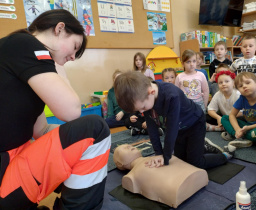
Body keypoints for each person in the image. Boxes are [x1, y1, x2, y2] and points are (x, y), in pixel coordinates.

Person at [0, 9, 111, 209]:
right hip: (5, 174)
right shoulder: (25, 43)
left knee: (81, 137)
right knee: (96, 129)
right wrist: (58, 66)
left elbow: (40, 130)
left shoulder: (21, 56)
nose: (73, 57)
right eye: (75, 47)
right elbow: (71, 111)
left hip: (13, 164)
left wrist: (74, 144)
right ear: (59, 28)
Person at [114, 71, 235, 171]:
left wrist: (165, 157)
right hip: (180, 128)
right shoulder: (143, 98)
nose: (142, 112)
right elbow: (152, 128)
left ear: (151, 92)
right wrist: (159, 154)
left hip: (195, 123)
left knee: (195, 163)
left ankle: (224, 155)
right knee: (180, 161)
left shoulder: (171, 95)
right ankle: (202, 147)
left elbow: (171, 129)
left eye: (143, 108)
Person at [113, 144, 209, 208]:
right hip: (178, 189)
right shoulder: (130, 177)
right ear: (120, 164)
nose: (129, 146)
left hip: (195, 173)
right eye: (124, 148)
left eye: (128, 145)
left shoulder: (156, 157)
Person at [221, 72, 256, 149]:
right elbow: (232, 115)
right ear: (239, 90)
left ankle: (242, 137)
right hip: (247, 127)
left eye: (248, 83)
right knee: (224, 118)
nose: (244, 86)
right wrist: (238, 129)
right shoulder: (242, 98)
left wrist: (248, 128)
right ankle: (238, 136)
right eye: (240, 86)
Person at [175, 49, 221, 132]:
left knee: (199, 124)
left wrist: (205, 104)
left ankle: (209, 128)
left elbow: (206, 90)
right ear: (183, 63)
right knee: (186, 124)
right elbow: (176, 93)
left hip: (199, 104)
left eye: (194, 61)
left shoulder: (201, 75)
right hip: (185, 105)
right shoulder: (179, 77)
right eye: (188, 62)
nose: (192, 64)